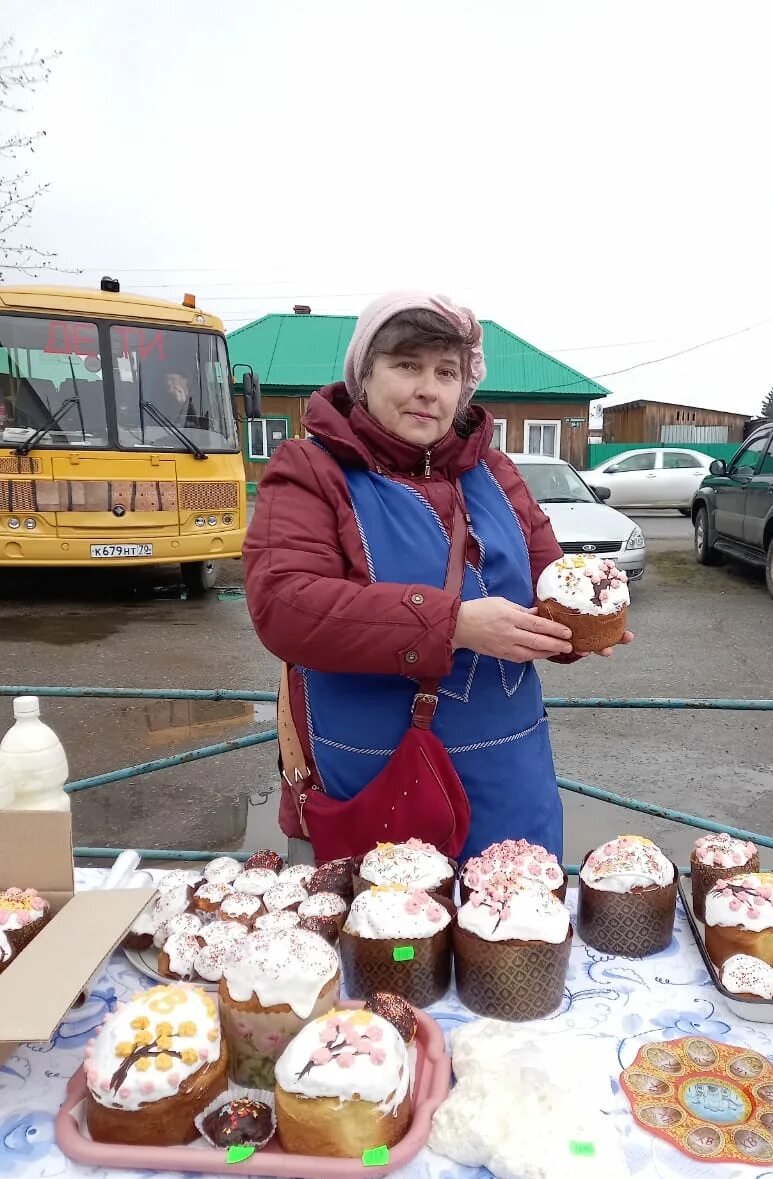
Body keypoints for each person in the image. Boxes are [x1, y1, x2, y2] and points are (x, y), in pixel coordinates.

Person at [243, 291, 632, 867]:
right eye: (407, 366)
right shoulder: (311, 469)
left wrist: (579, 627)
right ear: (363, 377)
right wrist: (454, 625)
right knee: (394, 943)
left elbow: (552, 584)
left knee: (511, 939)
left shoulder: (495, 473)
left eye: (446, 372)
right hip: (381, 775)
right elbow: (286, 605)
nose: (429, 388)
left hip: (510, 777)